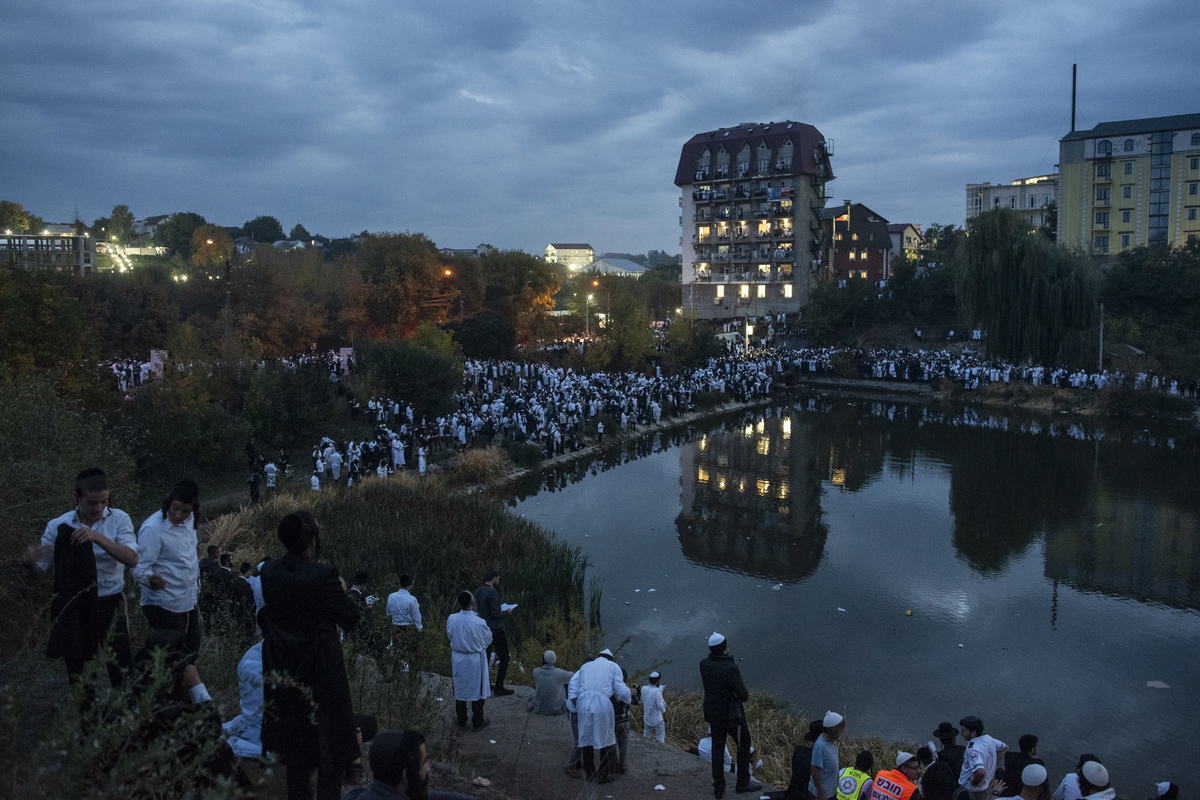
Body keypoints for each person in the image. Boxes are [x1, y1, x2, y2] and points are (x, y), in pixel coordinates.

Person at [260, 511, 361, 800]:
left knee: (296, 753)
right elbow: (350, 618)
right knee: (330, 752)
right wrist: (341, 589)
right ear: (312, 540)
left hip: (284, 666)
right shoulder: (323, 576)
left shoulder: (268, 572)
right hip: (322, 671)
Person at [24, 467, 138, 691]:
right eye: (92, 503)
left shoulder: (119, 519)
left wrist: (96, 537)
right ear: (77, 497)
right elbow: (39, 571)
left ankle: (128, 710)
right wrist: (29, 562)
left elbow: (132, 558)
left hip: (111, 602)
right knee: (81, 674)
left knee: (123, 669)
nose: (98, 508)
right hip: (76, 606)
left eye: (104, 501)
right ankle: (87, 712)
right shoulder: (59, 526)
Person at [133, 479, 203, 661]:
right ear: (168, 502)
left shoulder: (191, 520)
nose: (178, 515)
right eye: (175, 508)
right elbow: (138, 567)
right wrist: (150, 579)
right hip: (163, 603)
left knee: (192, 650)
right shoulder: (153, 529)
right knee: (173, 656)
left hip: (188, 599)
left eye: (185, 511)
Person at [699, 632, 760, 798]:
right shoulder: (731, 668)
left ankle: (718, 787)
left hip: (714, 714)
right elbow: (743, 696)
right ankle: (742, 783)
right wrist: (729, 660)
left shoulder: (703, 664)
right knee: (743, 744)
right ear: (724, 647)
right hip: (732, 716)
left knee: (717, 748)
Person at [342, 728, 475, 800]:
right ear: (405, 775)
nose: (428, 768)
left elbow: (428, 796)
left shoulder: (363, 795)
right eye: (424, 762)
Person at [568, 649, 631, 784]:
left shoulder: (585, 666)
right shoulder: (613, 666)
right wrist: (629, 695)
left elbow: (575, 690)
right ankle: (603, 775)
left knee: (586, 739)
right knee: (607, 739)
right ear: (610, 659)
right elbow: (621, 691)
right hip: (602, 704)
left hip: (583, 703)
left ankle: (589, 774)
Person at [446, 590, 492, 731]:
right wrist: (478, 646)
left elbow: (450, 635)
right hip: (475, 659)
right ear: (472, 603)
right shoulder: (479, 622)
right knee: (477, 689)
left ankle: (461, 720)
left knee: (460, 688)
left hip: (458, 658)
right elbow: (488, 639)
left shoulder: (452, 619)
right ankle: (477, 721)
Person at [474, 568, 513, 695]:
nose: (498, 581)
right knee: (504, 657)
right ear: (494, 578)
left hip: (482, 628)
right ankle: (499, 687)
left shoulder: (478, 591)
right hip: (495, 629)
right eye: (498, 578)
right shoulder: (492, 592)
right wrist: (506, 612)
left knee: (484, 656)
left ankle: (484, 684)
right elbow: (495, 614)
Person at [958, 716, 1007, 800]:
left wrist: (974, 783)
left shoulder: (973, 749)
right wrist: (993, 762)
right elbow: (1004, 747)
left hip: (970, 791)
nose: (961, 733)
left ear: (973, 733)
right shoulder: (988, 738)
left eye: (963, 730)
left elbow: (980, 772)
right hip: (984, 788)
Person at [386, 574, 423, 666]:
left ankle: (396, 670)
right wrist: (419, 630)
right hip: (408, 628)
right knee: (410, 653)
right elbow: (417, 618)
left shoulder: (391, 596)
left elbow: (388, 612)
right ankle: (411, 671)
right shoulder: (412, 599)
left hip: (395, 627)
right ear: (410, 585)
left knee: (396, 651)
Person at [811, 712, 846, 800]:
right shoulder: (820, 747)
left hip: (831, 791)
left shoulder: (832, 741)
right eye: (840, 731)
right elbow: (814, 770)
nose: (841, 734)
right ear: (833, 731)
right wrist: (821, 794)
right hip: (823, 794)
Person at [527, 650, 573, 715]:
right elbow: (573, 675)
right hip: (556, 709)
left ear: (543, 660)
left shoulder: (536, 672)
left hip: (539, 708)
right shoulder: (560, 673)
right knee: (565, 684)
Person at [641, 671, 667, 743]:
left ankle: (644, 746)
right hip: (657, 718)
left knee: (646, 734)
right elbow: (661, 708)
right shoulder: (658, 692)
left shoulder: (644, 688)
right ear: (658, 681)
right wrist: (662, 697)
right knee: (660, 737)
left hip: (647, 716)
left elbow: (642, 699)